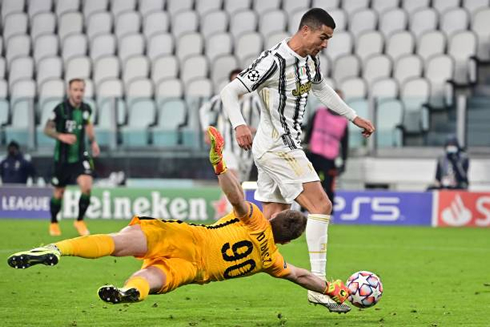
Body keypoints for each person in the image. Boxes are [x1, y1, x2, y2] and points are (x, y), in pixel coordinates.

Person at [7, 127, 350, 312]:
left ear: (274, 218)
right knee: (151, 276)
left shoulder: (257, 220)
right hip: (197, 272)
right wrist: (334, 289)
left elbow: (236, 197)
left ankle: (58, 248)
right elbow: (302, 275)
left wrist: (220, 165)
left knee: (119, 242)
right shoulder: (271, 260)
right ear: (287, 241)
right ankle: (130, 290)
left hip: (187, 238)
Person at [220, 8, 374, 312]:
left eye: (329, 39)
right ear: (306, 30)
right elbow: (230, 91)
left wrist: (353, 116)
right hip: (280, 147)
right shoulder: (274, 61)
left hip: (277, 147)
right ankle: (319, 287)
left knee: (271, 223)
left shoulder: (309, 60)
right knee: (322, 206)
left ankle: (214, 251)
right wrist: (238, 124)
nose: (325, 44)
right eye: (323, 37)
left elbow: (321, 89)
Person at [44, 78, 100, 236]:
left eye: (81, 90)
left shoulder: (87, 108)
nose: (78, 93)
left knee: (87, 186)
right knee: (59, 192)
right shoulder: (60, 109)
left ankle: (80, 220)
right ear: (69, 91)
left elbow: (88, 124)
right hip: (62, 158)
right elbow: (47, 129)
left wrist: (93, 141)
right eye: (75, 90)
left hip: (80, 155)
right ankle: (54, 222)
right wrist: (61, 136)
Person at [199, 68, 262, 181]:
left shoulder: (253, 100)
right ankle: (229, 198)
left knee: (240, 182)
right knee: (231, 175)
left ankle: (233, 198)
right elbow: (204, 110)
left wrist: (256, 128)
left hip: (246, 149)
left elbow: (267, 116)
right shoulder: (222, 99)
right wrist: (206, 131)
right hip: (227, 145)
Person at [304, 89, 349, 206]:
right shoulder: (319, 112)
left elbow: (344, 143)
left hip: (329, 158)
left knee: (329, 186)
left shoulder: (343, 121)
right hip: (313, 153)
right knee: (310, 184)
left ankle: (330, 213)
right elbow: (309, 130)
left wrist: (344, 161)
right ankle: (305, 210)